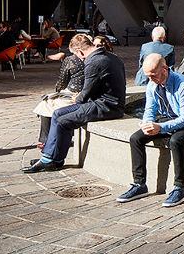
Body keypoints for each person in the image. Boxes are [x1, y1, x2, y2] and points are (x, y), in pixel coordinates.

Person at [117, 54, 184, 208]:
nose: (151, 79)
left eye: (153, 75)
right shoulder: (152, 85)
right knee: (136, 138)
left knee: (176, 140)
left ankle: (179, 188)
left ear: (165, 69)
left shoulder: (183, 84)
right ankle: (139, 185)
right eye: (148, 76)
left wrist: (160, 127)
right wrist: (147, 124)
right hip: (167, 120)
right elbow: (149, 110)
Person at [23, 34, 127, 172]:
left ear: (80, 51)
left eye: (78, 56)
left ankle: (49, 160)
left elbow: (86, 92)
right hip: (108, 103)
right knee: (57, 114)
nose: (81, 59)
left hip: (106, 107)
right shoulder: (111, 57)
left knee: (63, 120)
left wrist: (76, 100)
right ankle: (55, 158)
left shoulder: (93, 62)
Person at [35, 34, 90, 147]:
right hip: (87, 94)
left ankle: (46, 139)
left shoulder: (71, 60)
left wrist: (58, 92)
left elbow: (61, 82)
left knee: (46, 103)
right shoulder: (93, 59)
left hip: (73, 94)